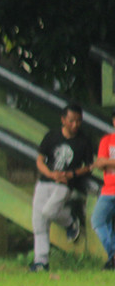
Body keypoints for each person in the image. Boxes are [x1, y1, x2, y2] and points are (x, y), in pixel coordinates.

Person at [29, 103, 96, 272]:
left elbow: (89, 166)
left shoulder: (84, 141)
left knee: (48, 212)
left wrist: (71, 174)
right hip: (45, 181)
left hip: (66, 184)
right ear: (63, 120)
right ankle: (41, 261)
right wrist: (51, 174)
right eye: (71, 120)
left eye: (78, 121)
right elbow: (40, 160)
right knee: (38, 221)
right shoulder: (52, 136)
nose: (75, 124)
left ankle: (70, 220)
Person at [90, 108, 115, 270]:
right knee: (98, 220)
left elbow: (104, 162)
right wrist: (104, 162)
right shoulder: (107, 140)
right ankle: (113, 255)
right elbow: (99, 163)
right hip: (108, 190)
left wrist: (108, 161)